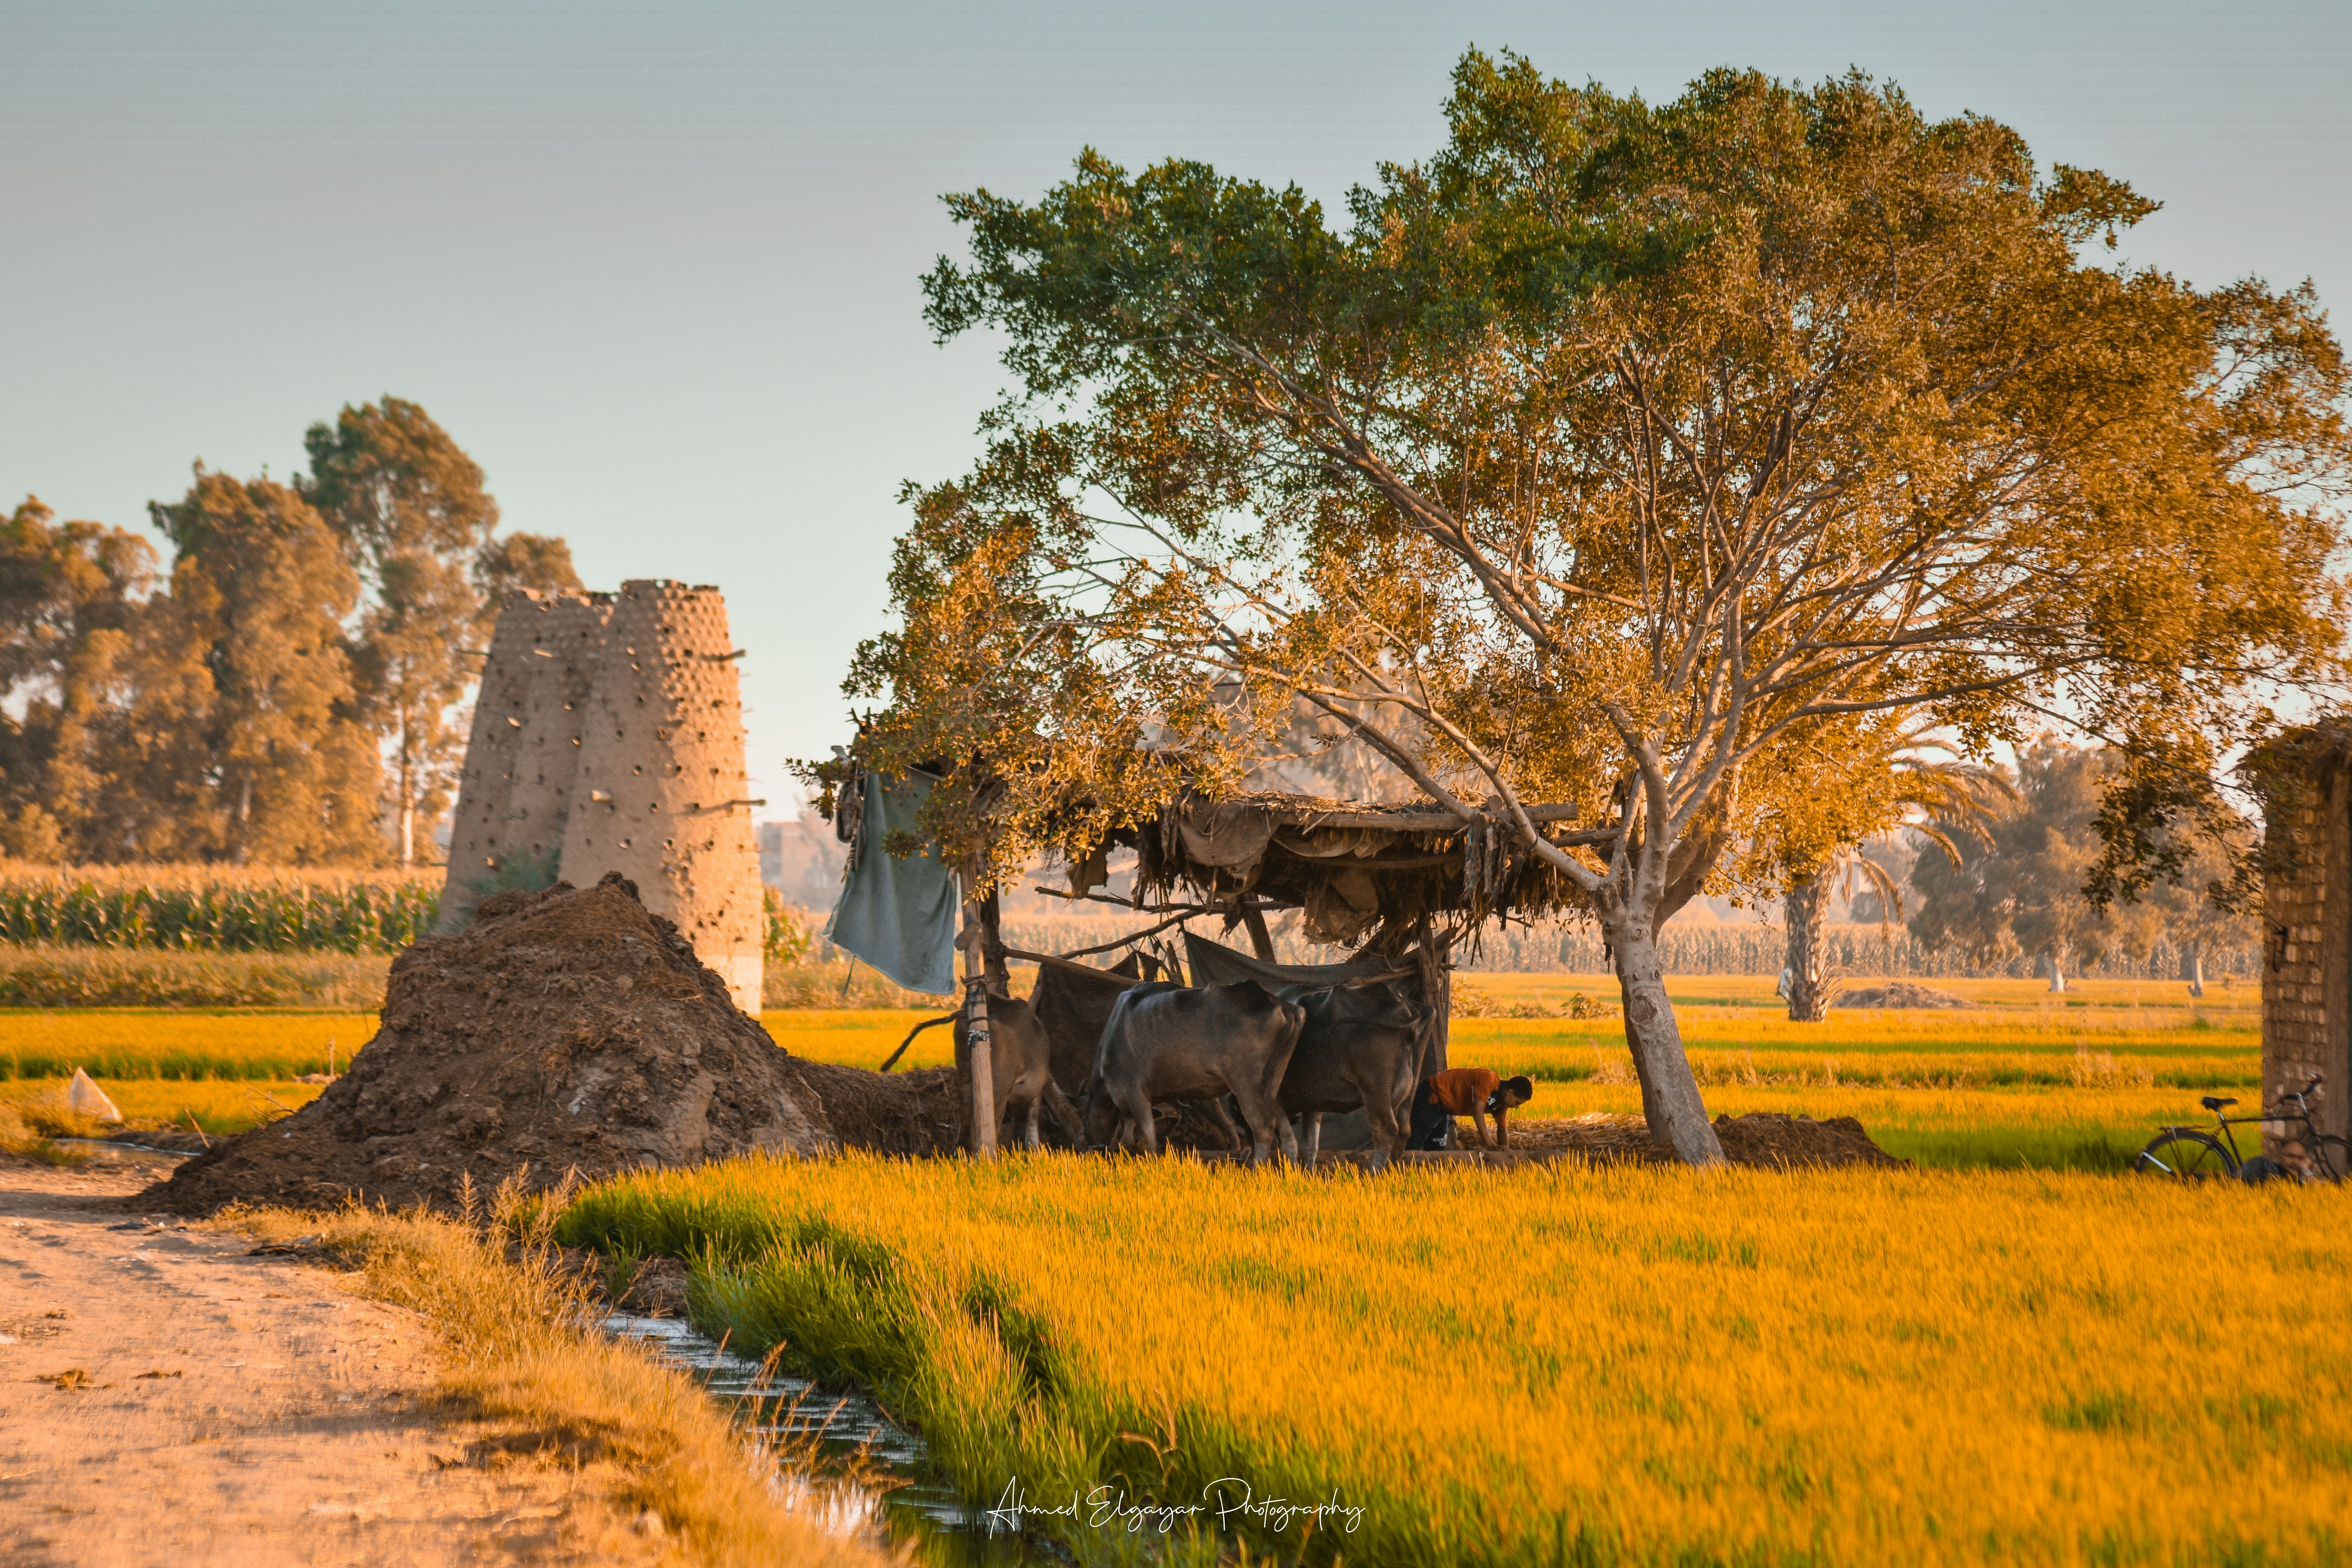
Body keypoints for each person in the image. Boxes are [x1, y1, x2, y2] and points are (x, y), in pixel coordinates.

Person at [1408, 1067, 1535, 1150]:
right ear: (1510, 1093)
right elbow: (1477, 1112)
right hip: (1433, 1094)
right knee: (1415, 1141)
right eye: (1517, 1102)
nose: (1516, 1107)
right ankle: (1399, 1170)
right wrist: (1490, 1145)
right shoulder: (1489, 1080)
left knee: (1437, 1148)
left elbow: (1502, 1129)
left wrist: (1504, 1151)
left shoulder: (1501, 1105)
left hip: (1445, 1108)